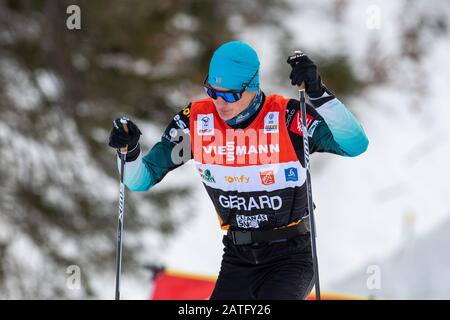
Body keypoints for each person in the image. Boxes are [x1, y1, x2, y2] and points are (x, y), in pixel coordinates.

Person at [108, 41, 369, 300]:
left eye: (231, 95)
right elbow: (140, 180)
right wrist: (129, 153)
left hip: (291, 257)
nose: (220, 102)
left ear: (252, 87)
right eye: (213, 91)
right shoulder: (197, 122)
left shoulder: (287, 117)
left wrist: (318, 93)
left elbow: (355, 144)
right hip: (238, 257)